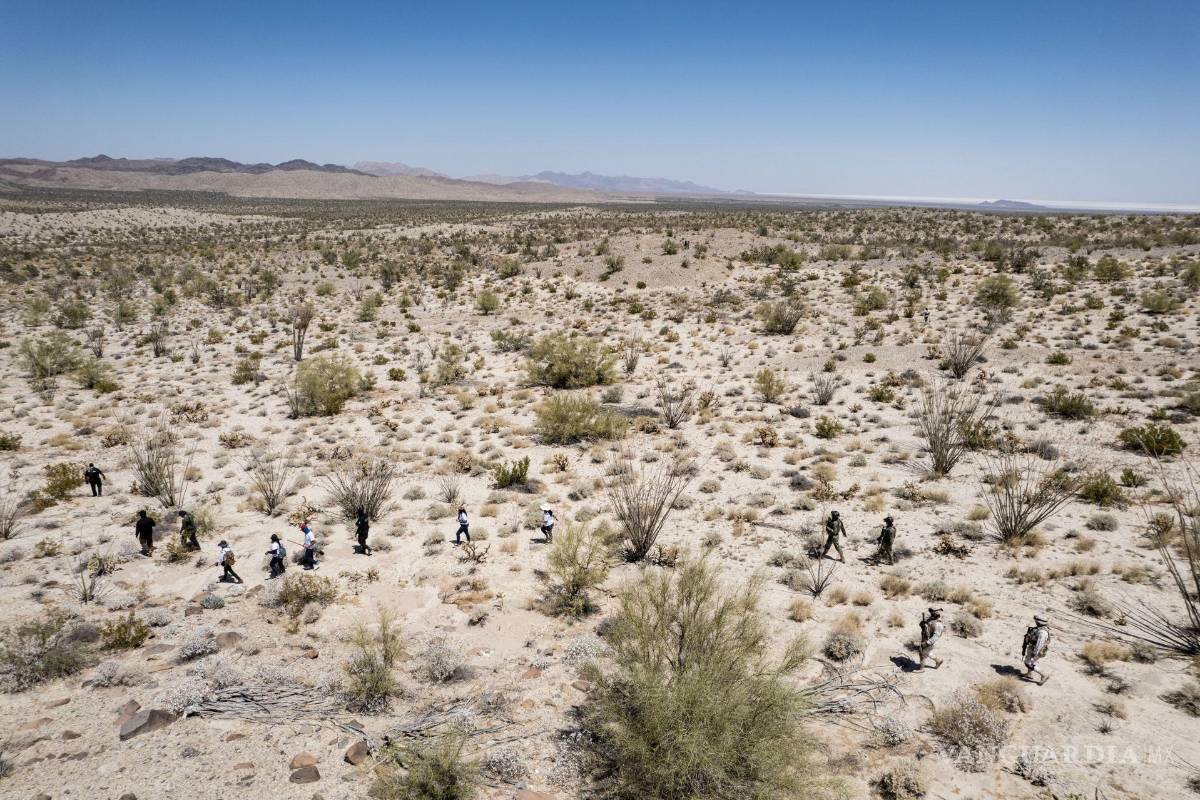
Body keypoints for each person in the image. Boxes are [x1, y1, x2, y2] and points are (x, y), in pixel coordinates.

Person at [1021, 615, 1052, 685]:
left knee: (1028, 663)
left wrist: (1035, 653)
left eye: (1036, 621)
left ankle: (1044, 675)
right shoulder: (1039, 628)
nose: (1035, 622)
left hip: (1036, 650)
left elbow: (1039, 644)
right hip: (1032, 647)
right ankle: (1029, 674)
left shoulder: (1042, 632)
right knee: (1028, 660)